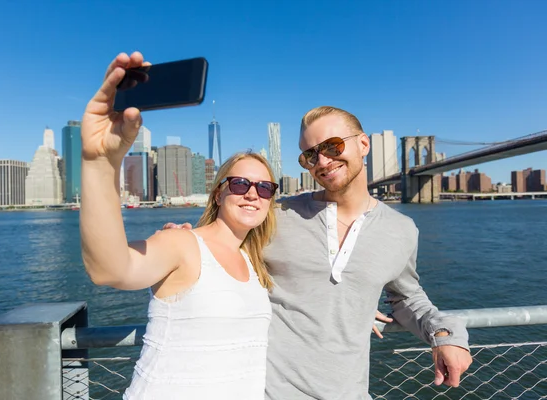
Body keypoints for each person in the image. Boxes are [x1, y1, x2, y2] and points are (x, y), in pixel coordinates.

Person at [167, 106, 473, 399]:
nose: (322, 161)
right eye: (310, 155)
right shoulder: (277, 215)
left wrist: (444, 334)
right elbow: (220, 251)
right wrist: (185, 238)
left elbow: (406, 297)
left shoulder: (402, 230)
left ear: (364, 144)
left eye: (333, 146)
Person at [79, 51, 280, 399]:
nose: (252, 194)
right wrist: (99, 163)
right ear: (218, 195)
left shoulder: (255, 262)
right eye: (239, 184)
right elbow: (111, 270)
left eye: (264, 187)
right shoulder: (184, 245)